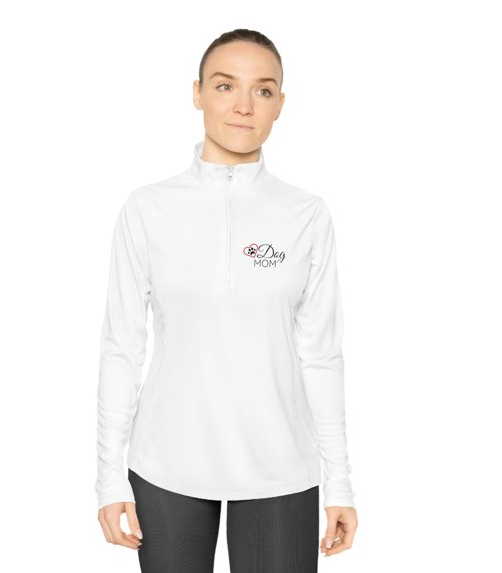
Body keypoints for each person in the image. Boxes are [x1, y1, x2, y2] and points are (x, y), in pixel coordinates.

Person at [95, 28, 358, 572]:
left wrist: (340, 483)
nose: (243, 106)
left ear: (280, 104)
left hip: (280, 471)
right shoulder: (147, 209)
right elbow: (122, 349)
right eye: (224, 86)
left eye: (262, 90)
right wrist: (108, 477)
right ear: (197, 93)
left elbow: (321, 357)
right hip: (166, 467)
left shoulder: (306, 215)